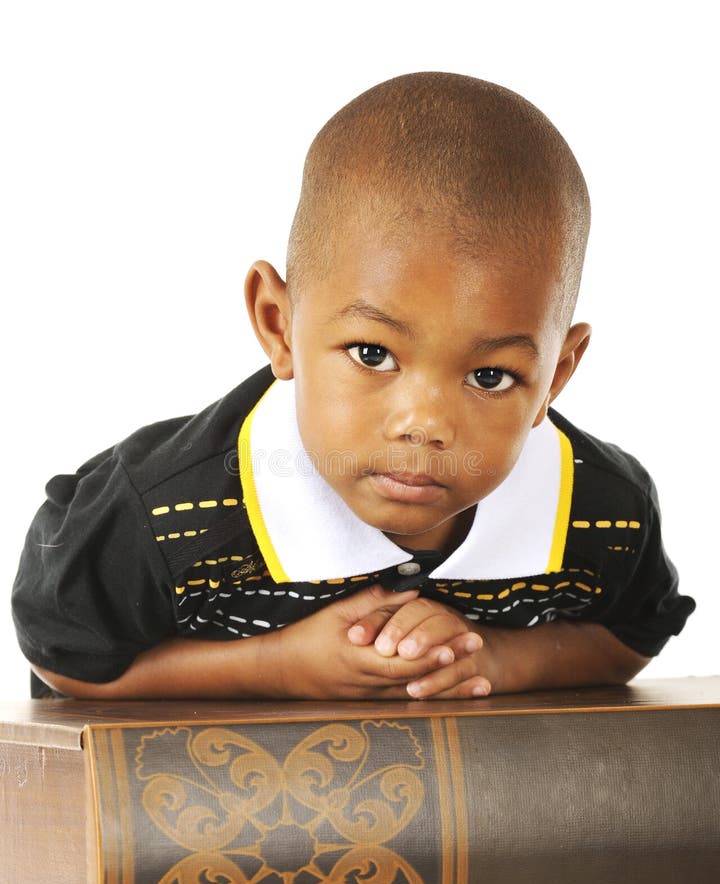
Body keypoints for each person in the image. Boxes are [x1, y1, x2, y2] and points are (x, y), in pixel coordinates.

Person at [12, 72, 694, 701]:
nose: (425, 423)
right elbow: (66, 654)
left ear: (557, 374)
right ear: (278, 325)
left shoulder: (605, 511)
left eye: (491, 376)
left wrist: (495, 659)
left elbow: (631, 635)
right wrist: (277, 665)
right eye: (373, 354)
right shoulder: (161, 511)